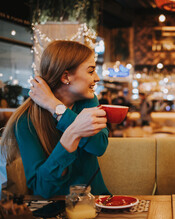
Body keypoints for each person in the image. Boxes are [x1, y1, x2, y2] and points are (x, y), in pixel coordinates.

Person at [0, 40, 110, 199]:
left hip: (96, 201)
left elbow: (99, 146)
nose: (97, 78)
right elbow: (42, 188)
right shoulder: (26, 121)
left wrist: (55, 107)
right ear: (66, 76)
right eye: (91, 71)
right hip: (53, 207)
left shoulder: (88, 102)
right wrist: (70, 136)